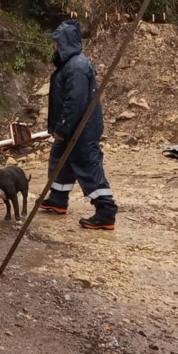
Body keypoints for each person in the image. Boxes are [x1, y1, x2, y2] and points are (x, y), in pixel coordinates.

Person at [38, 19, 118, 230]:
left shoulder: (77, 66)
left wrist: (62, 129)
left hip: (82, 128)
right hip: (72, 126)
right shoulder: (70, 64)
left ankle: (106, 211)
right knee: (60, 161)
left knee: (88, 166)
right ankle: (58, 199)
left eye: (56, 42)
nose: (53, 45)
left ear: (64, 42)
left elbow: (75, 102)